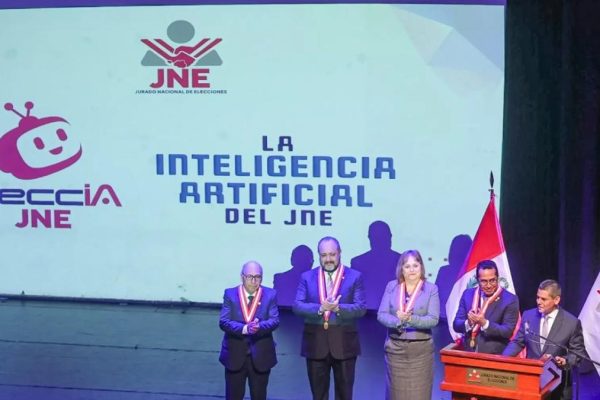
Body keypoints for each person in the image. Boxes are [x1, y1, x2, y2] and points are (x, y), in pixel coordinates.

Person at [293, 236, 367, 400]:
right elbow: (297, 306)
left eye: (332, 254)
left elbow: (361, 308)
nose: (328, 259)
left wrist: (338, 308)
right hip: (315, 344)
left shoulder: (354, 276)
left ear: (340, 253)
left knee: (344, 395)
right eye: (324, 255)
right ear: (318, 255)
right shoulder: (307, 277)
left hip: (344, 344)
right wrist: (321, 308)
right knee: (318, 395)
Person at [502, 279, 587, 400]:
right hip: (531, 382)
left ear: (556, 300)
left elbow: (578, 353)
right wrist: (502, 359)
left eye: (544, 299)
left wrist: (565, 360)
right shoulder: (528, 316)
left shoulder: (571, 323)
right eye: (537, 297)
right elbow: (518, 342)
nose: (538, 302)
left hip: (557, 386)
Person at [377, 249, 440, 400]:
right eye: (407, 266)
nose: (412, 270)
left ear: (421, 267)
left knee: (419, 394)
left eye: (415, 265)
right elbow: (381, 314)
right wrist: (398, 321)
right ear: (401, 269)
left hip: (421, 352)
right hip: (395, 350)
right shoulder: (392, 286)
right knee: (396, 394)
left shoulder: (431, 289)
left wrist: (411, 319)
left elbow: (433, 319)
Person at [219, 261, 279, 400]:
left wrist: (260, 327)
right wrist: (245, 329)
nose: (253, 281)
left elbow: (274, 320)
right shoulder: (230, 294)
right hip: (235, 356)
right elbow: (224, 321)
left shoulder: (270, 294)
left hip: (261, 356)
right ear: (242, 277)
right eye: (250, 277)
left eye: (257, 277)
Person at [452, 259, 519, 354]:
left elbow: (507, 331)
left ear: (497, 278)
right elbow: (456, 324)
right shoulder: (468, 294)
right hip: (468, 353)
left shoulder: (510, 299)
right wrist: (469, 323)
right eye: (484, 281)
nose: (488, 286)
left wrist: (484, 323)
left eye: (492, 280)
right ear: (477, 280)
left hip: (494, 356)